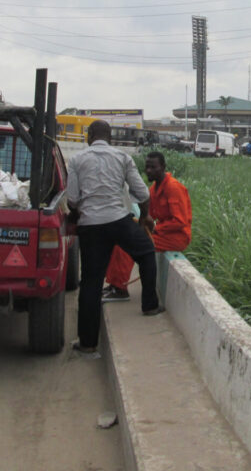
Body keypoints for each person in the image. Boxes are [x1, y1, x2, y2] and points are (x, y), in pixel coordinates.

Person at [66, 120, 161, 359]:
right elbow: (142, 194)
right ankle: (150, 306)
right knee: (147, 253)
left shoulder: (77, 160)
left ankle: (88, 345)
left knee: (90, 283)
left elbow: (73, 200)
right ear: (110, 138)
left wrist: (78, 216)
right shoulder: (122, 158)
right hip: (118, 220)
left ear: (89, 137)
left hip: (91, 226)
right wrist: (141, 224)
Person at [102, 150, 192, 302]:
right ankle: (114, 285)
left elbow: (180, 221)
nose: (148, 170)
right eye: (147, 167)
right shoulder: (154, 189)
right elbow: (148, 216)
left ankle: (120, 289)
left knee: (127, 247)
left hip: (176, 237)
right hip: (161, 233)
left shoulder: (173, 188)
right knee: (121, 240)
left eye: (153, 167)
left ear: (163, 167)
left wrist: (155, 228)